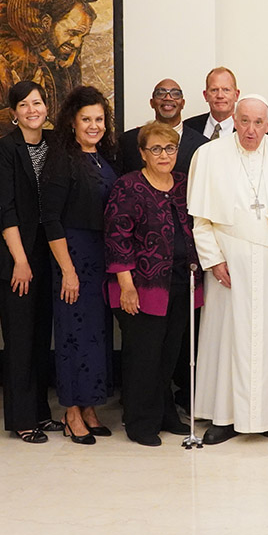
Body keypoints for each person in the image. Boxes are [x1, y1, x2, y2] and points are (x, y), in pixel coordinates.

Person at [187, 95, 268, 444]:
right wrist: (213, 259)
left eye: (258, 123)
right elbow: (200, 218)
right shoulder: (210, 155)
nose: (251, 129)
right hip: (230, 263)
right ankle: (225, 417)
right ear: (234, 119)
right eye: (244, 121)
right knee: (227, 337)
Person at [105, 121, 203, 446]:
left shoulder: (183, 184)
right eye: (156, 149)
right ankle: (140, 422)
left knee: (169, 354)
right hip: (140, 285)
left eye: (170, 148)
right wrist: (126, 285)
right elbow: (117, 237)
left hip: (179, 281)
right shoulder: (128, 186)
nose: (164, 155)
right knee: (143, 356)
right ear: (143, 153)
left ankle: (165, 414)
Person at [0, 81, 61, 443]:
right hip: (16, 258)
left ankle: (41, 412)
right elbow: (3, 209)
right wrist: (20, 260)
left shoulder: (56, 145)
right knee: (19, 338)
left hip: (48, 256)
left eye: (38, 103)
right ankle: (21, 419)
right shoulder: (4, 150)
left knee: (40, 336)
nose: (33, 109)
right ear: (14, 113)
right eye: (25, 105)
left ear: (47, 108)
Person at [41, 85, 118, 444]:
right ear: (72, 122)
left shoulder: (103, 158)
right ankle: (71, 411)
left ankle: (89, 406)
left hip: (101, 257)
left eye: (99, 119)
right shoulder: (62, 158)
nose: (94, 125)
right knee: (72, 334)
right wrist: (67, 270)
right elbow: (51, 218)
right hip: (72, 256)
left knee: (96, 334)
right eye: (86, 119)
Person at [0, 0, 97, 144]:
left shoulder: (66, 69)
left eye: (82, 37)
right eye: (73, 33)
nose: (77, 43)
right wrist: (15, 114)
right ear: (46, 23)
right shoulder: (3, 67)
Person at [117, 79, 208, 175]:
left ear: (183, 103)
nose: (168, 98)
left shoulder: (202, 145)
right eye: (160, 93)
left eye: (175, 94)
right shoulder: (128, 141)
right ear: (151, 103)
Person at [184, 67, 240, 140]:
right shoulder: (188, 127)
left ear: (236, 95)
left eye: (226, 90)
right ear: (205, 95)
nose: (220, 95)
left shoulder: (246, 129)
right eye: (214, 90)